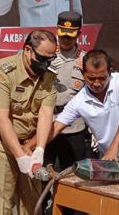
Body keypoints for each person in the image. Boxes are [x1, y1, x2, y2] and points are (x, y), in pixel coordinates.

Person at [0, 30, 57, 215]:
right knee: (0, 206)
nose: (45, 64)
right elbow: (0, 118)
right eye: (42, 58)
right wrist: (20, 157)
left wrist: (39, 149)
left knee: (32, 203)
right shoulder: (2, 72)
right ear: (28, 50)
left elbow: (46, 114)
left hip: (29, 143)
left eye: (50, 59)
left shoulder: (48, 76)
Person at [27, 50, 119, 160]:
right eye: (91, 78)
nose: (97, 83)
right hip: (108, 154)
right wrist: (29, 146)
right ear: (82, 73)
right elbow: (56, 127)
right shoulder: (79, 100)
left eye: (102, 78)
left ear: (110, 72)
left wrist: (114, 147)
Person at [44, 11, 90, 171]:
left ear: (79, 34)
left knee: (72, 172)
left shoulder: (85, 60)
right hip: (47, 122)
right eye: (62, 34)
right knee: (44, 169)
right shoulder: (46, 56)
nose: (66, 39)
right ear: (57, 30)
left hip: (74, 126)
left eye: (70, 36)